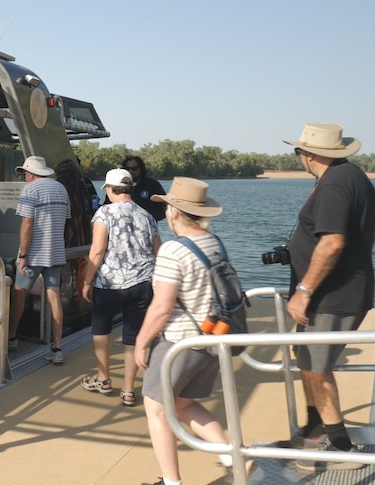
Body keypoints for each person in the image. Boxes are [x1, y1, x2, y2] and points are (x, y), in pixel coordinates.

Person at [133, 177, 239, 485]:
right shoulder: (214, 242)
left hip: (181, 341)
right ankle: (234, 459)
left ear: (174, 213)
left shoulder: (173, 251)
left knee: (157, 410)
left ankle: (171, 481)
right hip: (212, 337)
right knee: (184, 403)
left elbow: (162, 307)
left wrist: (142, 342)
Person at [282, 123, 375, 471]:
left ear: (309, 154)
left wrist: (304, 291)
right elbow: (370, 232)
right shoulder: (354, 178)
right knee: (307, 360)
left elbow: (333, 241)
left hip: (332, 296)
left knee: (317, 368)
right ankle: (313, 432)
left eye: (299, 151)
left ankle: (339, 449)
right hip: (338, 290)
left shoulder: (337, 182)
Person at [81, 169, 160, 407]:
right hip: (142, 283)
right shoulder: (146, 215)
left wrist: (87, 281)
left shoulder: (104, 213)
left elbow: (97, 250)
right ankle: (128, 390)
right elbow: (158, 250)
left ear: (109, 188)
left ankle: (104, 379)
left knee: (101, 330)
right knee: (133, 336)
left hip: (109, 284)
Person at [8, 156, 71, 364]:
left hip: (33, 253)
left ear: (32, 173)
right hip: (55, 252)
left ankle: (12, 338)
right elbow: (66, 222)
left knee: (19, 292)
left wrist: (23, 256)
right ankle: (57, 347)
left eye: (25, 172)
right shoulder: (61, 189)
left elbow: (27, 223)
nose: (24, 176)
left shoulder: (30, 190)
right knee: (53, 295)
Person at [104, 156, 166, 222]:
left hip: (147, 224)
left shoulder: (153, 184)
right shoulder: (117, 185)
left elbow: (164, 207)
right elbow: (107, 205)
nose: (130, 171)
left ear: (141, 169)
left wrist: (147, 217)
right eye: (127, 169)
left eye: (134, 169)